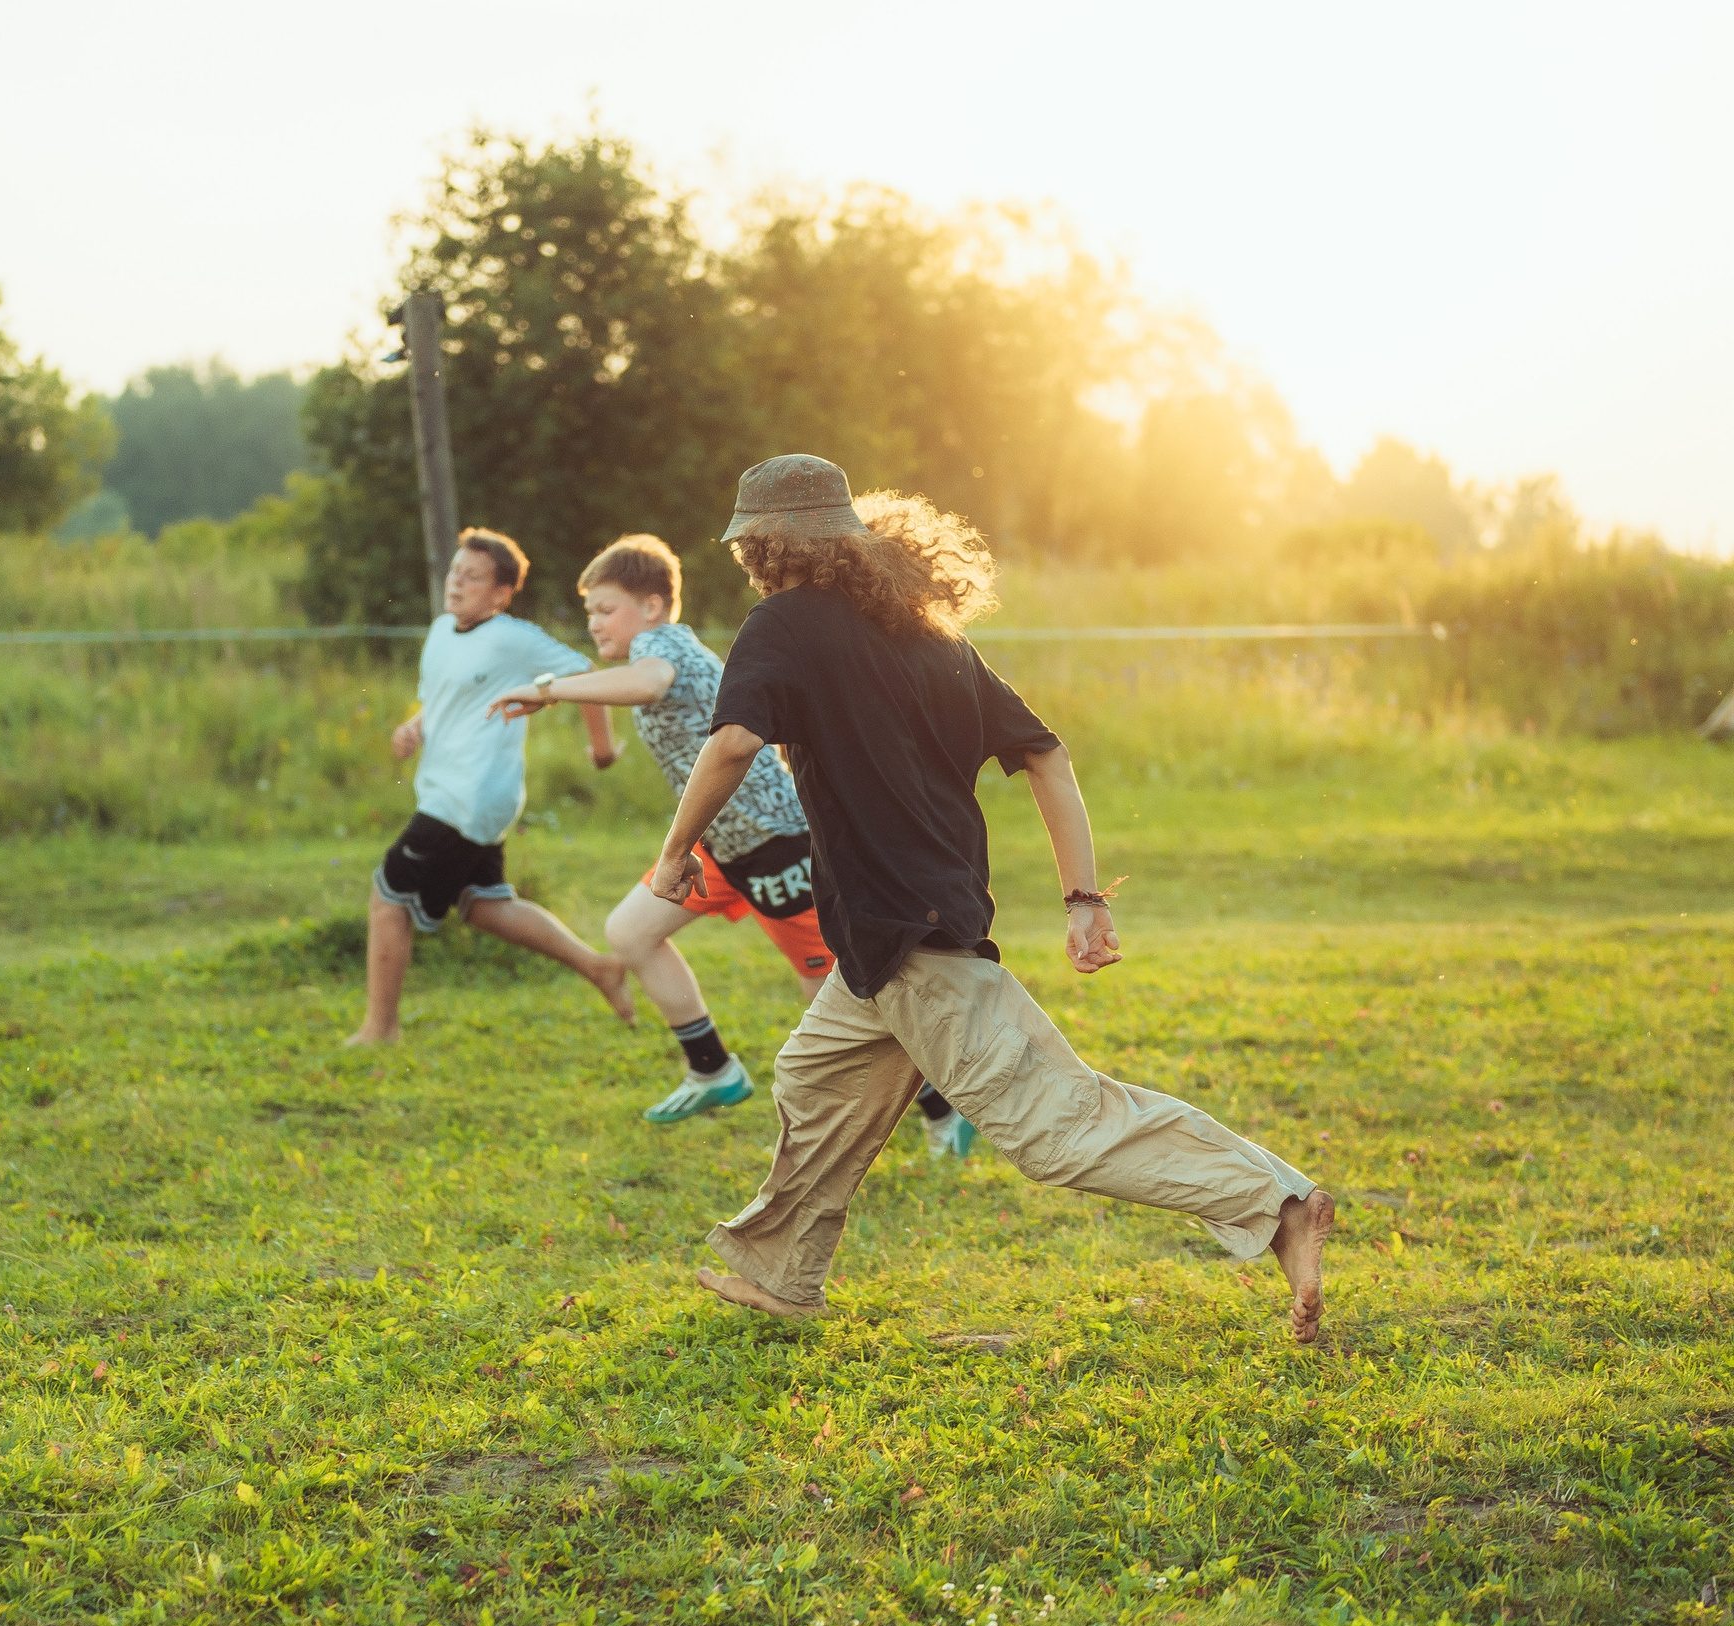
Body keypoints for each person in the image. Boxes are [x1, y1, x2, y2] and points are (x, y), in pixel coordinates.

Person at [656, 455, 1336, 1343]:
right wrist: (1081, 894)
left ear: (768, 545)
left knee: (1057, 1126)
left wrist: (676, 850)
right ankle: (783, 1272)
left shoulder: (782, 623)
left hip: (911, 932)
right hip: (893, 929)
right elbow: (1045, 753)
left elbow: (735, 739)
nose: (750, 562)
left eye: (751, 546)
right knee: (816, 1076)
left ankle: (1276, 1202)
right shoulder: (926, 633)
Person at [487, 533, 979, 1150]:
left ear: (652, 607)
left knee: (842, 997)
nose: (594, 623)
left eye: (605, 608)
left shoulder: (660, 646)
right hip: (718, 847)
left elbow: (648, 681)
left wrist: (548, 689)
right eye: (588, 612)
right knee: (631, 933)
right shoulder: (660, 647)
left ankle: (942, 1107)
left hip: (779, 846)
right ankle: (712, 1068)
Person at [345, 528, 637, 1046]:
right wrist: (415, 726)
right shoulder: (440, 631)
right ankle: (599, 968)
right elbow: (440, 700)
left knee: (387, 899)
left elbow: (587, 674)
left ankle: (379, 1030)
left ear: (502, 593)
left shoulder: (512, 638)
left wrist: (602, 750)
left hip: (466, 798)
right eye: (455, 572)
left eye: (473, 577)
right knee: (484, 905)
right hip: (458, 793)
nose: (456, 583)